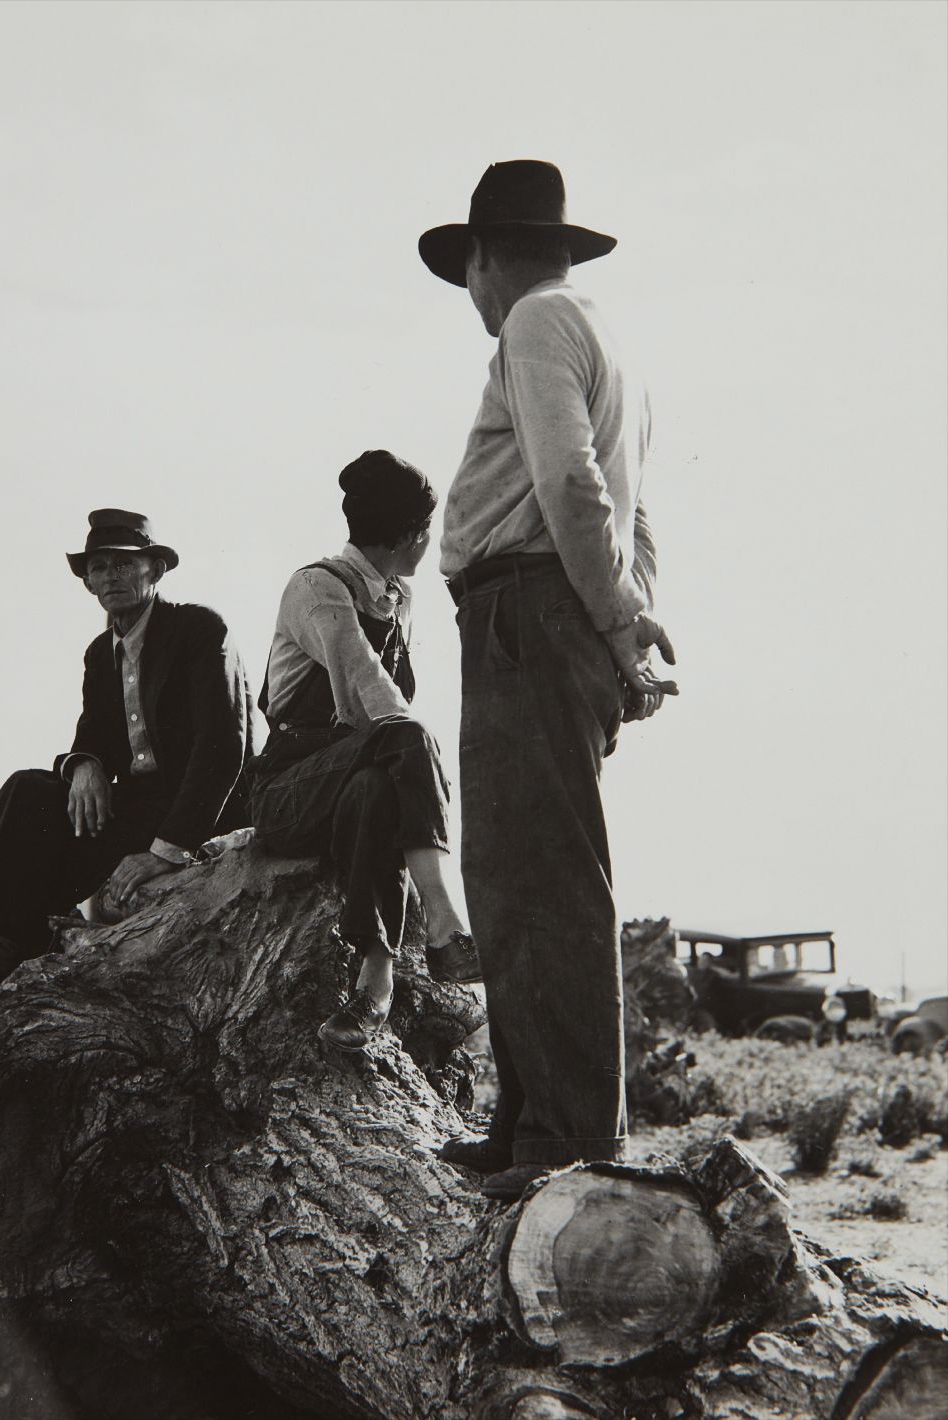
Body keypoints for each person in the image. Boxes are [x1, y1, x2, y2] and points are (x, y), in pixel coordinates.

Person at [417, 160, 678, 1199]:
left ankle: (564, 1143)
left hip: (528, 611)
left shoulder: (531, 322)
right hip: (551, 613)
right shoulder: (606, 336)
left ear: (487, 256)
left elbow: (574, 482)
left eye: (468, 271)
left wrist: (614, 622)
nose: (471, 298)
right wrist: (625, 626)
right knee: (519, 874)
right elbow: (634, 510)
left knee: (539, 882)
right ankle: (530, 1119)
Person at [0, 509, 253, 1019]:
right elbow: (92, 733)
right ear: (87, 581)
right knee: (27, 791)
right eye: (98, 567)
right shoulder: (100, 653)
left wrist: (167, 850)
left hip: (204, 810)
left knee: (44, 811)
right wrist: (83, 763)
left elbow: (224, 749)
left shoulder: (199, 630)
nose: (109, 576)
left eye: (122, 564)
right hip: (139, 807)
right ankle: (2, 949)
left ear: (155, 571)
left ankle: (22, 945)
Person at [249, 450, 480, 1051]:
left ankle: (374, 981)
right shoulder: (319, 586)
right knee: (403, 737)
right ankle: (443, 922)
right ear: (412, 534)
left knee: (377, 786)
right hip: (288, 789)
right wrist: (421, 759)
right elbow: (364, 692)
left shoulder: (396, 596)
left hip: (350, 784)